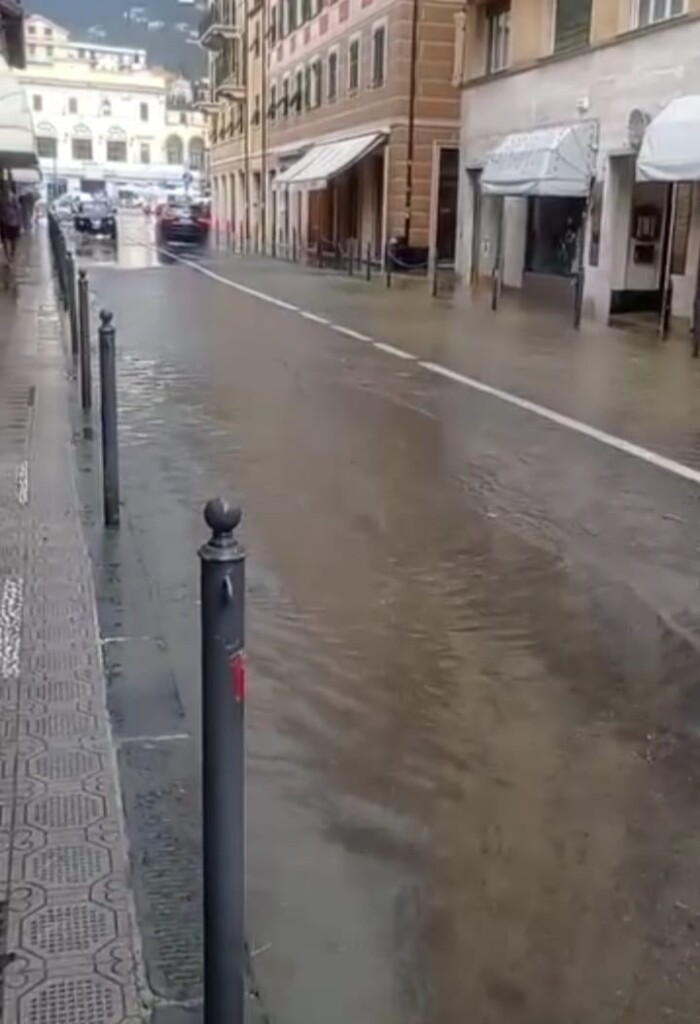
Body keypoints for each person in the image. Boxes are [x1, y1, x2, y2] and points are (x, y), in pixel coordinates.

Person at [0, 182, 21, 268]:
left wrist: (20, 222)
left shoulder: (13, 197)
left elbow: (18, 209)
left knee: (13, 241)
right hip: (3, 222)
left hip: (13, 222)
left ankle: (11, 256)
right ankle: (8, 257)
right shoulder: (1, 197)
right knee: (4, 240)